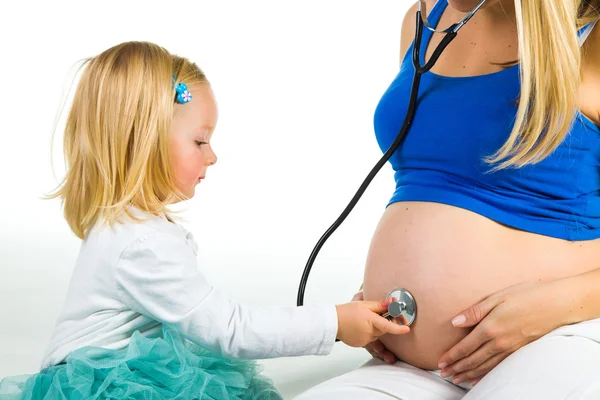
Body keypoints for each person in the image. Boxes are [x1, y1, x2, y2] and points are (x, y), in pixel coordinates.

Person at [0, 41, 409, 400]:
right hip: (106, 385)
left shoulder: (130, 225)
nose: (212, 156)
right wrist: (335, 323)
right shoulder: (140, 243)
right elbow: (232, 329)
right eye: (200, 140)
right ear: (143, 140)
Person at [296, 0, 600, 398]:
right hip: (405, 360)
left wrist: (556, 305)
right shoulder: (425, 22)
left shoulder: (591, 37)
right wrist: (385, 290)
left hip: (555, 337)